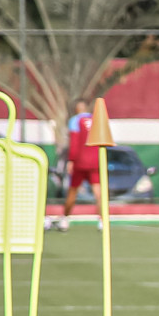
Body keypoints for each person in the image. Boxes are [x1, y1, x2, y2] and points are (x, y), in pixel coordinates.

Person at [49, 99, 102, 232]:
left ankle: (65, 219)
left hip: (80, 162)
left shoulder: (75, 121)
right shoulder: (96, 120)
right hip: (95, 162)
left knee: (72, 192)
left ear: (77, 109)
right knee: (98, 193)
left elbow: (75, 142)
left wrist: (71, 160)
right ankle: (102, 221)